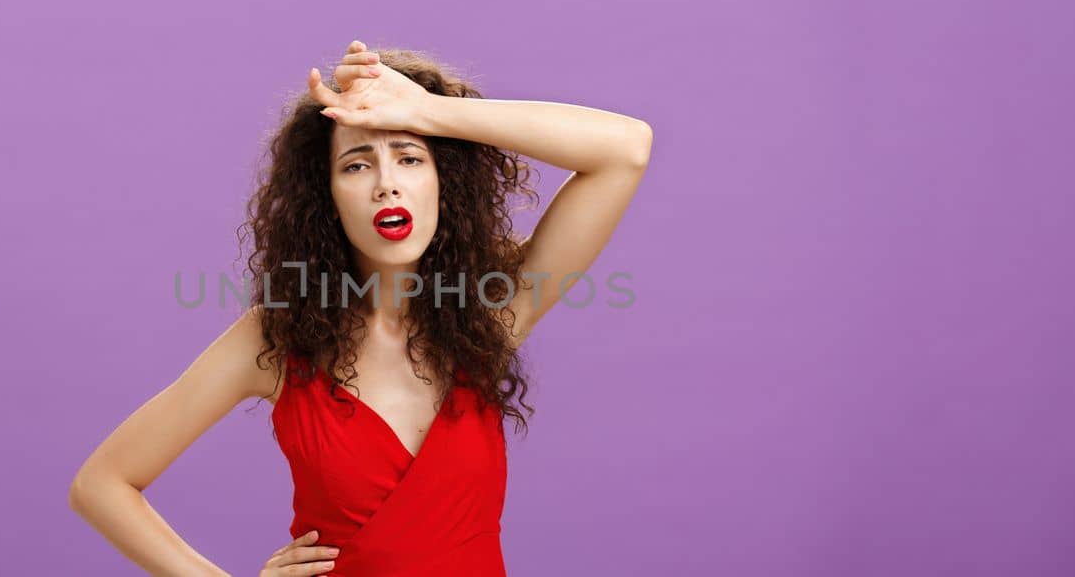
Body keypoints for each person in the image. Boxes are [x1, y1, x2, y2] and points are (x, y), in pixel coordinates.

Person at [69, 39, 652, 576]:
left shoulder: (492, 311)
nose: (385, 185)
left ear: (444, 181)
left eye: (410, 158)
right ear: (325, 198)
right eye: (355, 165)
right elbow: (103, 483)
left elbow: (625, 149)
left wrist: (426, 112)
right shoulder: (275, 340)